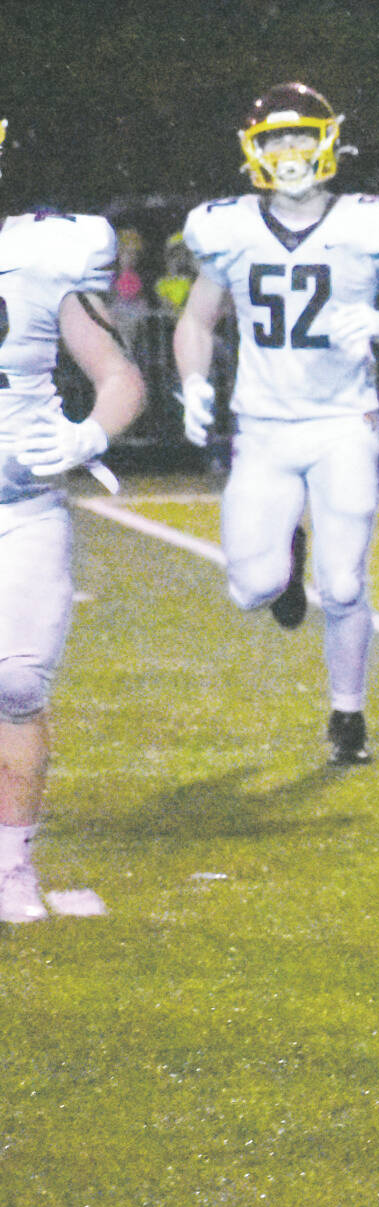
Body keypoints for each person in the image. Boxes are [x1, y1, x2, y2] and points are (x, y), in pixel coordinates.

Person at [172, 82, 379, 765]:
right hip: (262, 425)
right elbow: (198, 318)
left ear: (328, 142)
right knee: (249, 588)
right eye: (275, 140)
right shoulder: (227, 228)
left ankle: (348, 714)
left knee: (345, 582)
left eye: (299, 137)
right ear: (252, 152)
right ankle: (285, 563)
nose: (288, 153)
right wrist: (194, 380)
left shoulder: (372, 223)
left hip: (345, 420)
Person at [0, 115, 149, 923]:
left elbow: (118, 373)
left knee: (17, 682)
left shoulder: (35, 263)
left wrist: (90, 432)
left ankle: (10, 865)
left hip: (16, 503)